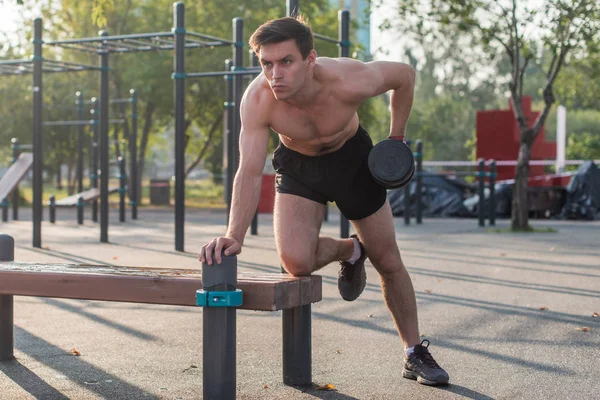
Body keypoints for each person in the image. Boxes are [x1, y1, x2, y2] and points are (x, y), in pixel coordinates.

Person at [198, 15, 449, 386]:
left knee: (389, 259)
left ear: (310, 58)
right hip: (299, 168)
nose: (275, 73)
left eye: (286, 61)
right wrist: (235, 234)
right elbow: (249, 170)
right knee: (296, 262)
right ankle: (349, 250)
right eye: (266, 63)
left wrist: (396, 140)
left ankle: (414, 353)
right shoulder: (257, 100)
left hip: (353, 160)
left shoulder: (347, 78)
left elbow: (404, 76)